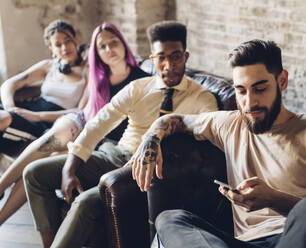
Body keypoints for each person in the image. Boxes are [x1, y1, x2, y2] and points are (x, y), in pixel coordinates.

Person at [130, 40, 306, 248]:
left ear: (282, 81)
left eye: (260, 89)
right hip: (248, 243)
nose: (250, 103)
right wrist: (151, 138)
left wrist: (273, 198)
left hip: (297, 238)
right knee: (171, 219)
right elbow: (177, 120)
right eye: (241, 91)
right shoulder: (230, 124)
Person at [23, 20, 218, 248]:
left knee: (85, 201)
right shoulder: (138, 88)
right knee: (33, 174)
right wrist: (70, 166)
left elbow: (210, 135)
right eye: (160, 58)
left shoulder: (202, 98)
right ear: (153, 59)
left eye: (175, 57)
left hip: (144, 173)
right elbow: (100, 122)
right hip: (113, 154)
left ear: (185, 56)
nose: (168, 65)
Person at [0, 22, 148, 226]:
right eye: (102, 47)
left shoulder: (116, 76)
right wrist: (13, 108)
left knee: (39, 167)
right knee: (48, 141)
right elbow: (86, 111)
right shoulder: (96, 76)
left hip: (85, 130)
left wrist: (40, 117)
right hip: (77, 124)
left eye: (113, 43)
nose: (109, 49)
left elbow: (84, 110)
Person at [0, 20, 88, 147]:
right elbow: (9, 84)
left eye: (68, 40)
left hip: (48, 122)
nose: (64, 48)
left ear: (76, 39)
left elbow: (81, 111)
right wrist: (10, 107)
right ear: (51, 49)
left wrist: (37, 116)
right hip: (26, 109)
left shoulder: (88, 71)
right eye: (58, 44)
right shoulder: (48, 65)